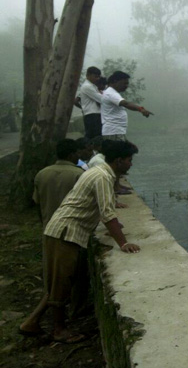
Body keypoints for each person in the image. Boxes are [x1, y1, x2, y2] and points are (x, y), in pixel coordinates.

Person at [19, 141, 141, 343]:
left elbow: (105, 208)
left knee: (58, 281)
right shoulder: (102, 177)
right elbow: (107, 214)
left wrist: (115, 229)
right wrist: (123, 243)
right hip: (65, 232)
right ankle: (59, 330)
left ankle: (31, 323)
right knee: (62, 283)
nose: (131, 164)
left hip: (64, 231)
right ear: (119, 160)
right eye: (129, 160)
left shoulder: (102, 173)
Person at [33, 139, 83, 228]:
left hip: (49, 228)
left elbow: (38, 204)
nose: (79, 157)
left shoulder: (42, 174)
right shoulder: (79, 174)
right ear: (71, 155)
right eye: (77, 153)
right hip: (73, 230)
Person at [101, 71, 153, 141]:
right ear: (115, 81)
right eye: (124, 83)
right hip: (113, 132)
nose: (126, 86)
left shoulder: (112, 93)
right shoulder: (111, 93)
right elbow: (126, 104)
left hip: (116, 131)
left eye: (127, 84)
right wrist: (141, 109)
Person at [77, 66, 103, 139]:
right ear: (88, 75)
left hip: (94, 114)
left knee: (95, 136)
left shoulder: (92, 86)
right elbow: (101, 99)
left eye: (98, 77)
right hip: (92, 115)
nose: (97, 79)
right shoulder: (87, 86)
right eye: (95, 77)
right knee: (94, 137)